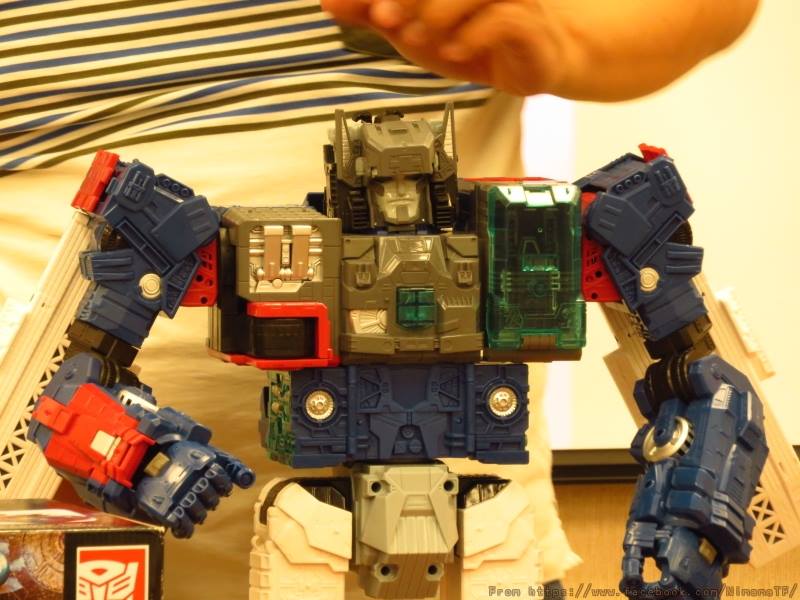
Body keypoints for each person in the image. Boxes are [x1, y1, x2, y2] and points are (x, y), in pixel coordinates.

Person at [0, 1, 758, 598]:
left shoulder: (519, 240)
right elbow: (79, 386)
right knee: (305, 540)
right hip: (100, 542)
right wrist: (149, 460)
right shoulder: (219, 248)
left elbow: (701, 379)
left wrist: (693, 508)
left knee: (494, 547)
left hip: (481, 504)